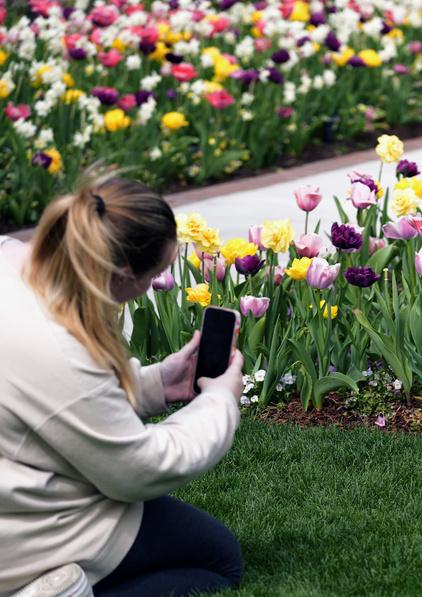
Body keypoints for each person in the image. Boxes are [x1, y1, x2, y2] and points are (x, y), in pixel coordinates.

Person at [0, 169, 245, 596]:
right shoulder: (58, 345)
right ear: (122, 274)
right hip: (19, 531)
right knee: (217, 560)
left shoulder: (10, 260)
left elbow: (51, 401)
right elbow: (138, 470)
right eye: (153, 276)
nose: (150, 286)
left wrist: (154, 384)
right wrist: (221, 401)